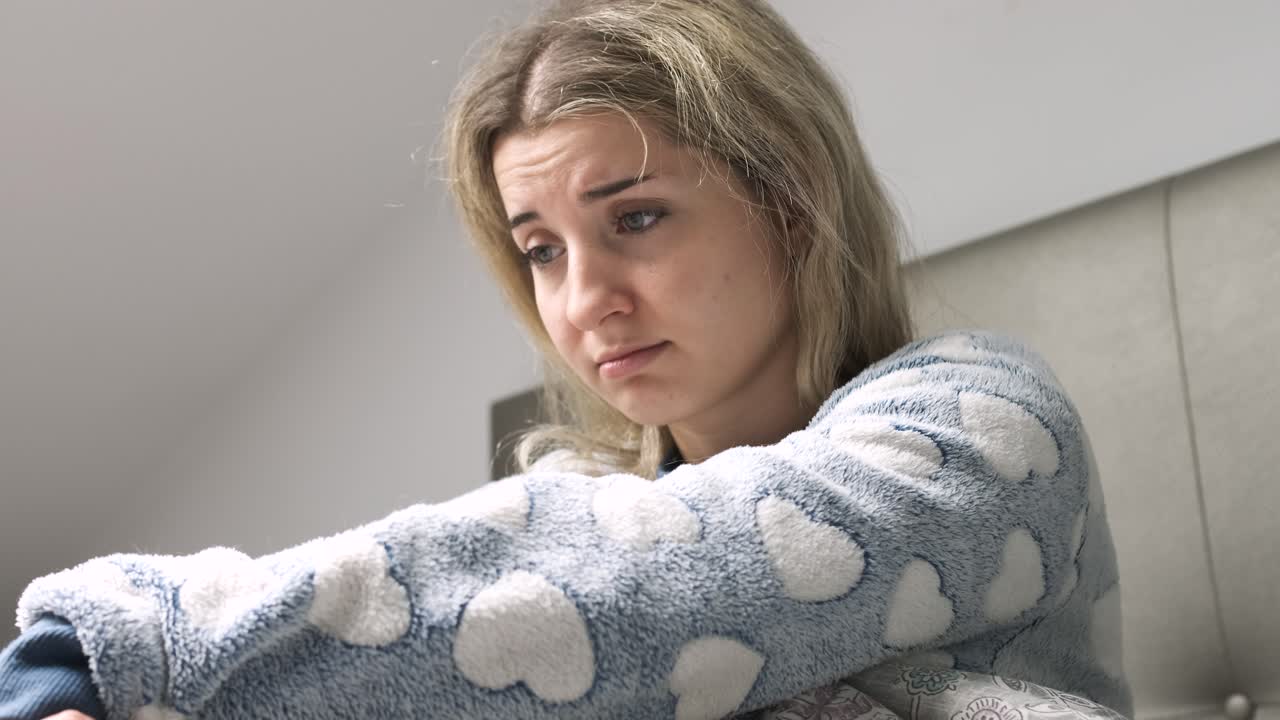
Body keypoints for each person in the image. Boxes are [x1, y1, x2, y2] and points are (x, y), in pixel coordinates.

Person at [0, 1, 1134, 718]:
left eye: (635, 218)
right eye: (540, 250)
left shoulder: (980, 425)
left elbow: (643, 583)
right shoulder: (575, 507)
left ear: (788, 204)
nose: (582, 302)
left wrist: (129, 641)